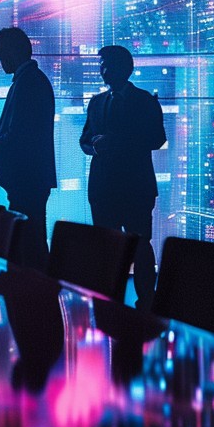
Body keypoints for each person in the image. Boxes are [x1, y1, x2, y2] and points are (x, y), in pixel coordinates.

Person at [79, 45, 167, 307]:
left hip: (134, 186)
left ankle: (146, 301)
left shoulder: (145, 101)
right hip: (105, 188)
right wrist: (95, 145)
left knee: (139, 244)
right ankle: (112, 299)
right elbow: (84, 140)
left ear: (125, 68)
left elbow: (157, 139)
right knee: (109, 247)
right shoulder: (97, 103)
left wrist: (114, 142)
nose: (102, 71)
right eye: (101, 65)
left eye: (106, 65)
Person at [0, 27, 56, 270]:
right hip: (30, 179)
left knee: (29, 245)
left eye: (0, 54)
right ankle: (38, 297)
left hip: (27, 179)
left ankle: (37, 298)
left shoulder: (28, 83)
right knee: (30, 243)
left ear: (13, 52)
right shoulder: (30, 81)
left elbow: (19, 138)